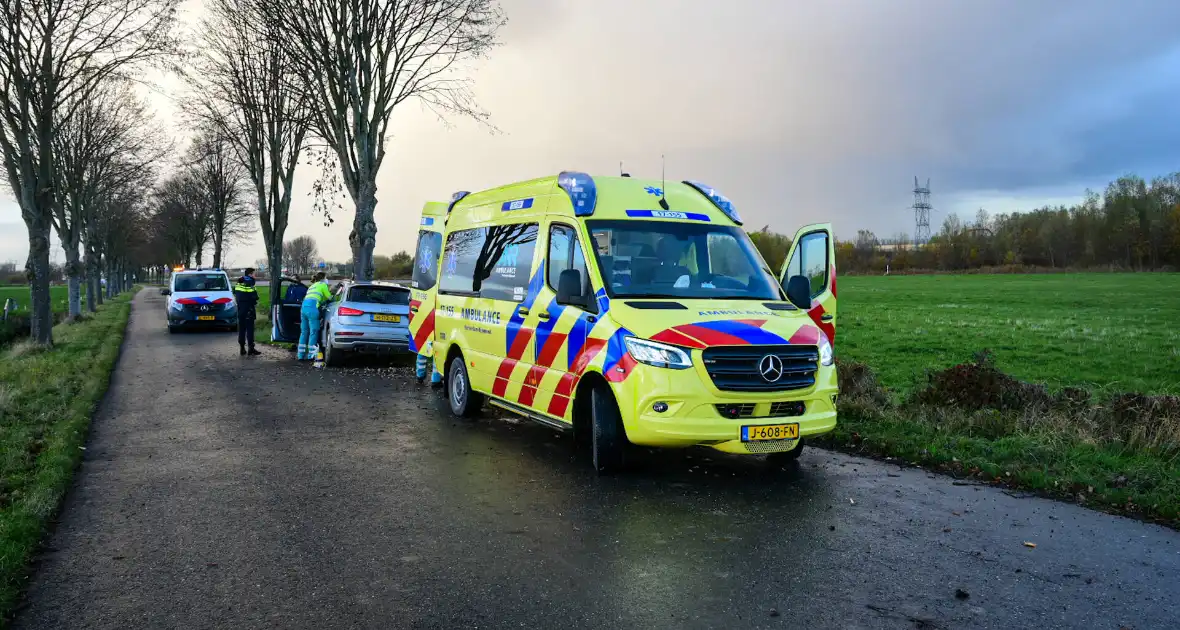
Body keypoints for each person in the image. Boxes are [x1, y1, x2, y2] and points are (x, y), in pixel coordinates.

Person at [298, 271, 332, 360]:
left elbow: (319, 298)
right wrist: (332, 293)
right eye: (326, 278)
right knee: (313, 332)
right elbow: (329, 297)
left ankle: (300, 355)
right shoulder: (323, 285)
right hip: (312, 308)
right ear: (324, 278)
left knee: (304, 332)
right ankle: (311, 355)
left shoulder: (312, 286)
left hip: (303, 308)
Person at [234, 268, 262, 356]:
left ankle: (242, 348)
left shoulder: (239, 282)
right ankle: (251, 348)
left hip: (240, 309)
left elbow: (236, 294)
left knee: (242, 329)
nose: (255, 276)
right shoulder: (250, 282)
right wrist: (255, 300)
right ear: (250, 274)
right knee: (250, 329)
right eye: (254, 274)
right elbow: (254, 296)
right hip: (249, 309)